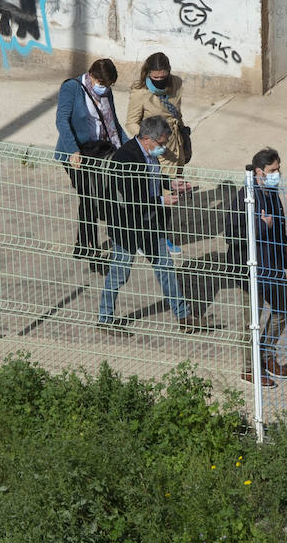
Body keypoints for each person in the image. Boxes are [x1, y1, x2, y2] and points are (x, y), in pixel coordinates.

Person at [97, 116, 216, 333]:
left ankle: (184, 317)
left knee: (166, 268)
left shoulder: (147, 152)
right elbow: (131, 198)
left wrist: (171, 183)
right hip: (129, 227)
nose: (162, 149)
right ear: (146, 138)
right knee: (119, 273)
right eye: (160, 144)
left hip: (151, 223)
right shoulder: (125, 158)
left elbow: (152, 177)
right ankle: (105, 318)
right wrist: (162, 201)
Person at [231, 147, 287, 384]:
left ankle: (266, 353)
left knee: (284, 309)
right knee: (251, 321)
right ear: (259, 171)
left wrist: (285, 244)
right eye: (273, 170)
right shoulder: (244, 195)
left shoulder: (271, 192)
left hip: (273, 264)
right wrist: (261, 225)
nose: (277, 174)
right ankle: (250, 368)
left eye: (278, 169)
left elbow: (279, 223)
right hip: (252, 267)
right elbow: (232, 233)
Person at [55, 58, 125, 266]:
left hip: (100, 151)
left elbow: (113, 122)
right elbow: (62, 120)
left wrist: (128, 149)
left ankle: (82, 245)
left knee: (96, 196)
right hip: (77, 154)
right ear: (92, 76)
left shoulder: (106, 91)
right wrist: (73, 151)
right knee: (88, 196)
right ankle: (90, 250)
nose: (105, 88)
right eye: (102, 83)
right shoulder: (72, 88)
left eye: (109, 85)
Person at [126, 52, 192, 258]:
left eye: (163, 76)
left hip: (176, 146)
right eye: (155, 77)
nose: (160, 80)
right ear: (148, 74)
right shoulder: (141, 94)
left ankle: (152, 235)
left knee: (171, 196)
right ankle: (157, 238)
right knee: (161, 196)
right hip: (157, 149)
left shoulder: (177, 84)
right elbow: (131, 122)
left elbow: (177, 114)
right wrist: (147, 141)